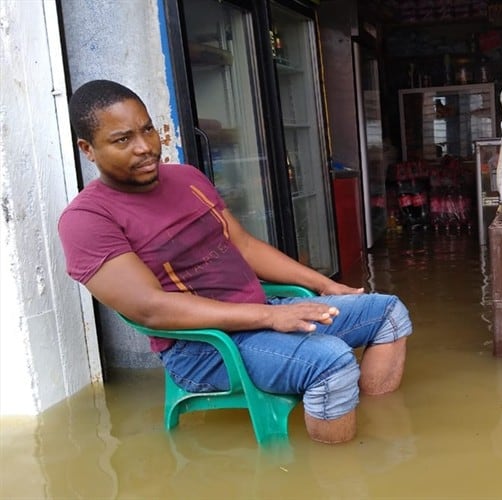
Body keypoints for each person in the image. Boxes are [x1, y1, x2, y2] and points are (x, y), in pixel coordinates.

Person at [58, 79, 412, 444]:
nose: (145, 147)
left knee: (387, 313)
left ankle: (376, 432)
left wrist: (324, 285)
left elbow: (243, 244)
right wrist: (271, 317)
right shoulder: (87, 219)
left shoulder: (187, 178)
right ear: (88, 149)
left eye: (148, 129)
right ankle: (341, 477)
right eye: (123, 139)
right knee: (331, 361)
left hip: (262, 311)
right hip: (203, 349)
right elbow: (151, 309)